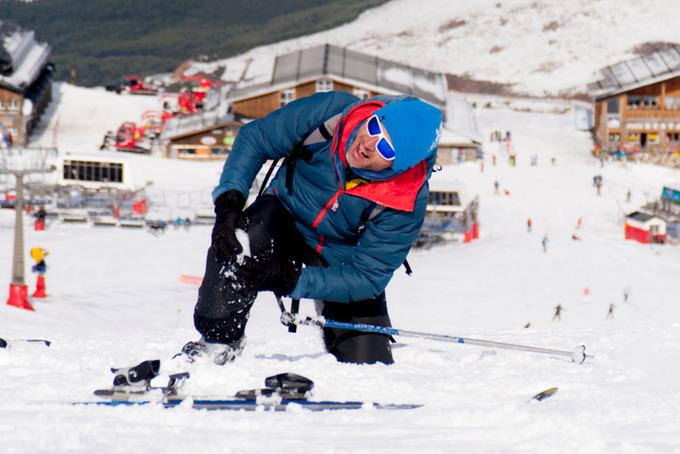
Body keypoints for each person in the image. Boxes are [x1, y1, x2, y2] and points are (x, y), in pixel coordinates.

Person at [181, 91, 442, 366]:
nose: (368, 143)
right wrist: (229, 202)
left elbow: (367, 277)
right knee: (241, 242)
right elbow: (256, 138)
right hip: (282, 215)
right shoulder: (333, 114)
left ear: (400, 165)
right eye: (375, 127)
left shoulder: (406, 199)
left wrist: (293, 280)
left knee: (367, 364)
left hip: (339, 257)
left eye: (386, 149)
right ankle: (218, 341)